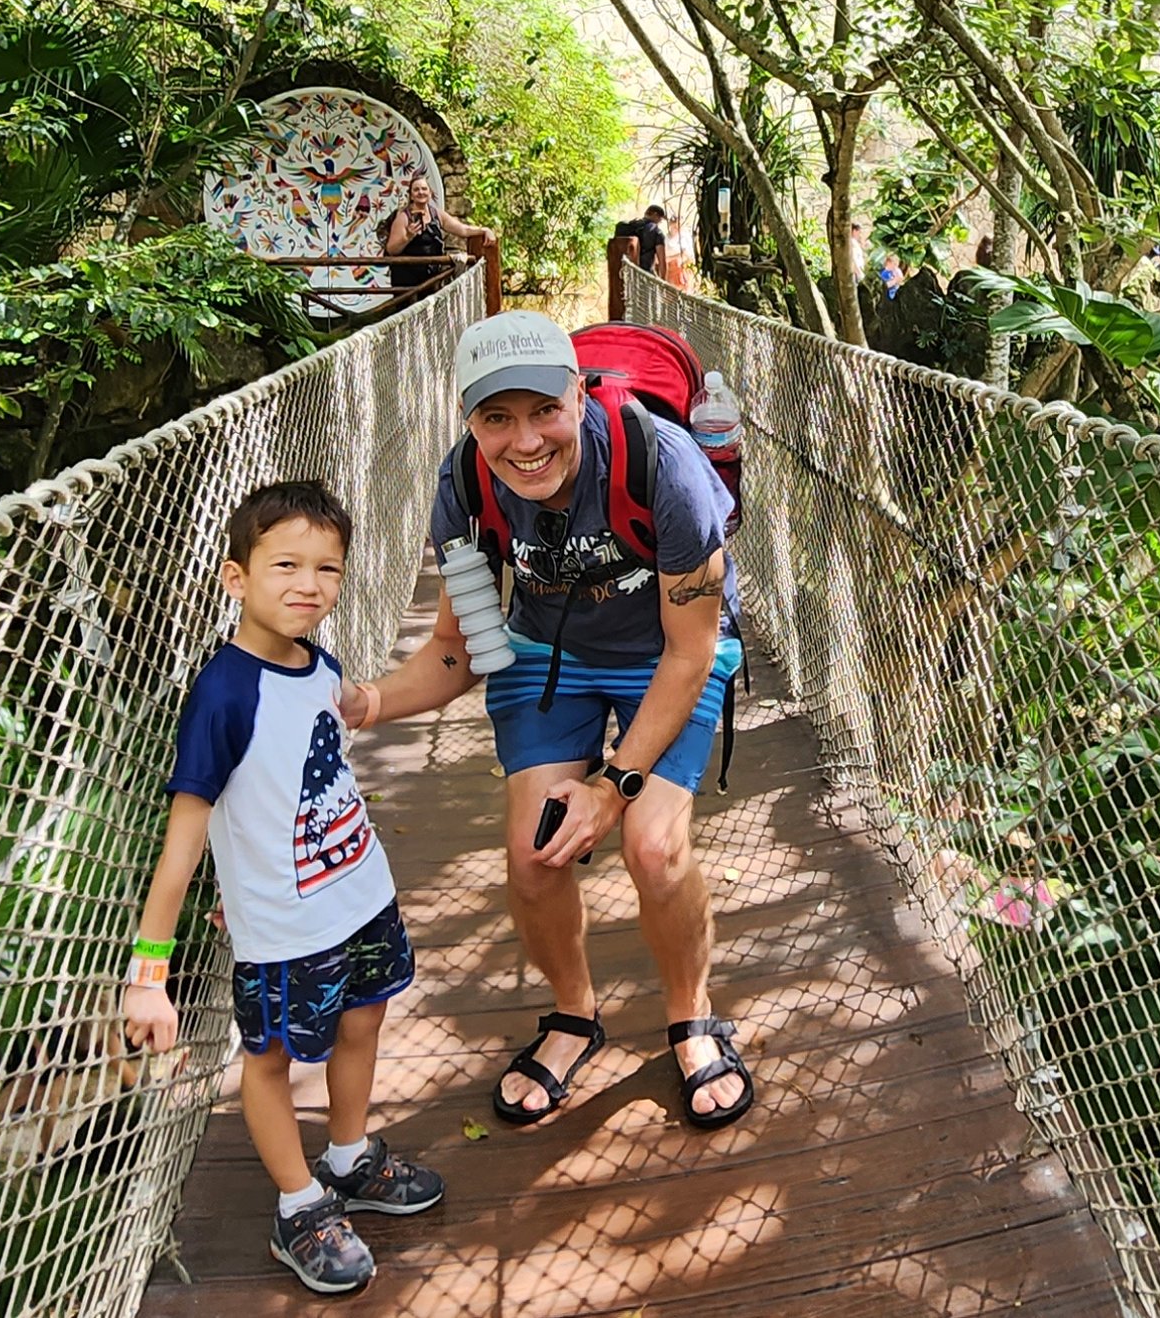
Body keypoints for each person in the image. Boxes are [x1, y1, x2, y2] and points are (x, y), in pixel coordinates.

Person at [356, 311, 757, 1132]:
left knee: (652, 842)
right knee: (534, 851)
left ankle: (691, 1016)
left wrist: (612, 788)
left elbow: (689, 652)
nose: (524, 440)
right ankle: (573, 1014)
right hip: (550, 649)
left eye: (544, 409)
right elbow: (456, 648)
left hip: (668, 652)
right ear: (469, 420)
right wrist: (359, 703)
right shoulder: (464, 486)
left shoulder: (661, 463)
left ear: (580, 395)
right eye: (495, 418)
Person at [120, 480, 443, 1295]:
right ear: (237, 578)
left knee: (365, 1020)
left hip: (359, 893)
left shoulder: (317, 660)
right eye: (287, 565)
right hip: (286, 927)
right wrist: (148, 976)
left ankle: (347, 1159)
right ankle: (298, 1207)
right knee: (268, 1061)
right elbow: (184, 842)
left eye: (328, 569)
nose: (310, 585)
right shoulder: (222, 696)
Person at [381, 178, 493, 291]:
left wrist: (484, 230)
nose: (421, 192)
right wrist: (408, 237)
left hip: (432, 278)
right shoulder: (403, 218)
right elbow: (392, 249)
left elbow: (463, 230)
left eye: (424, 189)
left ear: (430, 193)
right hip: (408, 281)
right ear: (411, 196)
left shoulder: (437, 214)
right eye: (416, 190)